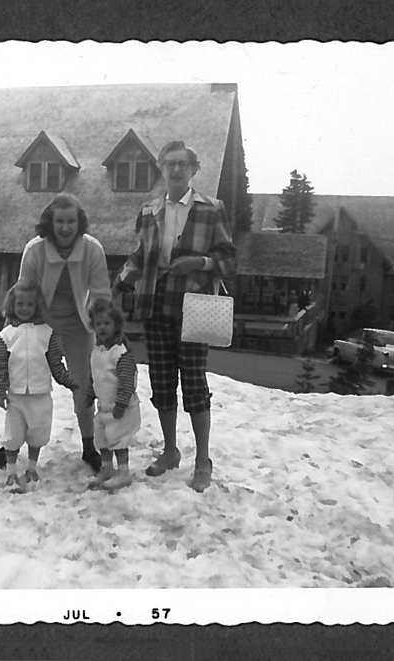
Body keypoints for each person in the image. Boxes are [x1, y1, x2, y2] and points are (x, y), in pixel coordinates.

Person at [113, 140, 236, 492]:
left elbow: (229, 259)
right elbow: (140, 257)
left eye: (183, 164)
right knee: (163, 384)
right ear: (161, 169)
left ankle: (202, 460)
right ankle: (170, 451)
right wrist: (120, 283)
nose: (177, 170)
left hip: (195, 308)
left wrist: (200, 262)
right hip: (156, 306)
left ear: (194, 169)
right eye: (170, 164)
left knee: (194, 384)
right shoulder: (149, 211)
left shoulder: (212, 209)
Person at [0, 193, 112, 472]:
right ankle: (12, 442)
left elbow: (102, 293)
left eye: (71, 221)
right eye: (60, 221)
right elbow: (23, 292)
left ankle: (89, 445)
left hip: (79, 325)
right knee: (25, 383)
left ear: (79, 222)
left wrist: (103, 323)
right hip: (40, 324)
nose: (66, 227)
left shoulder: (93, 250)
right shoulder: (35, 250)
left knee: (83, 385)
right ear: (50, 222)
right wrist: (11, 332)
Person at [0, 281, 78, 493]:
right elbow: (0, 365)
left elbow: (56, 363)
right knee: (13, 434)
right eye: (20, 304)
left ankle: (31, 466)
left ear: (37, 306)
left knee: (37, 432)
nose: (24, 308)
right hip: (16, 395)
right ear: (12, 305)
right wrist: (1, 389)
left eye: (29, 304)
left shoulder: (48, 333)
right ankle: (11, 471)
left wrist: (69, 381)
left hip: (40, 393)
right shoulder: (6, 336)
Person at [84, 298, 140, 491]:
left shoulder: (120, 353)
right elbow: (95, 377)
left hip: (120, 408)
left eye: (107, 323)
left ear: (116, 325)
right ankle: (107, 468)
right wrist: (89, 396)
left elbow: (126, 381)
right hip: (103, 408)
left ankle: (123, 472)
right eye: (98, 324)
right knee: (102, 439)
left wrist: (121, 404)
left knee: (118, 440)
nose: (102, 327)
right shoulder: (97, 352)